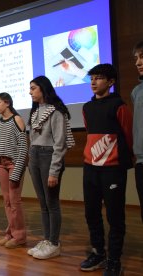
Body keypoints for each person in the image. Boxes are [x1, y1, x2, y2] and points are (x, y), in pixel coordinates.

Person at [80, 64, 133, 276]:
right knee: (91, 213)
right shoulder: (86, 108)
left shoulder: (119, 105)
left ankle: (114, 260)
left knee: (115, 216)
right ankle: (98, 252)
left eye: (99, 78)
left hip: (112, 170)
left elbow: (128, 135)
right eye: (91, 78)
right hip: (90, 168)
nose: (93, 82)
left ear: (110, 82)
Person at [27, 76, 72, 259]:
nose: (30, 92)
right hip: (35, 155)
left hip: (48, 156)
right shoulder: (36, 111)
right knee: (43, 203)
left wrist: (54, 170)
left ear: (43, 89)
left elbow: (60, 143)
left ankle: (54, 242)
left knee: (52, 202)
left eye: (33, 88)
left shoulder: (56, 112)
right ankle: (46, 240)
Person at [0, 93, 28, 248]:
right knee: (7, 201)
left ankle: (19, 236)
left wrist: (18, 169)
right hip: (1, 164)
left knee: (14, 201)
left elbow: (23, 147)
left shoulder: (17, 120)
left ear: (7, 103)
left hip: (13, 164)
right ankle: (11, 233)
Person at [131, 41, 143, 222]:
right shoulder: (136, 92)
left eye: (142, 57)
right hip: (141, 161)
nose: (138, 63)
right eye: (136, 58)